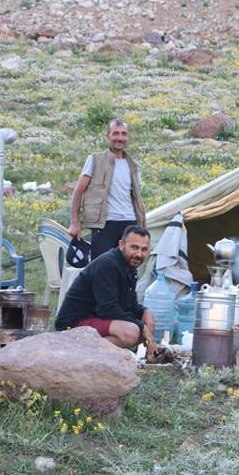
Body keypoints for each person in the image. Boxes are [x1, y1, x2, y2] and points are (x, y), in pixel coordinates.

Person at [56, 225, 157, 356]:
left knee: (146, 324)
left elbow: (129, 305)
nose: (139, 254)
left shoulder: (129, 267)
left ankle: (100, 355)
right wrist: (141, 326)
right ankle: (78, 353)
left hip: (96, 319)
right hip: (73, 324)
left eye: (144, 249)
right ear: (121, 245)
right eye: (134, 247)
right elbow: (107, 309)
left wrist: (144, 312)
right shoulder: (107, 265)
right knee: (131, 332)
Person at [69, 119, 146, 262]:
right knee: (102, 267)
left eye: (123, 134)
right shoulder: (95, 159)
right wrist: (74, 223)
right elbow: (78, 191)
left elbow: (136, 197)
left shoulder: (133, 165)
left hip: (129, 223)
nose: (120, 138)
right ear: (108, 136)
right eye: (115, 133)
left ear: (127, 136)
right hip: (104, 224)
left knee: (128, 268)